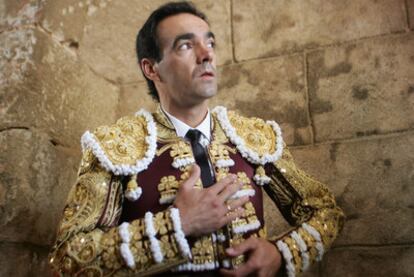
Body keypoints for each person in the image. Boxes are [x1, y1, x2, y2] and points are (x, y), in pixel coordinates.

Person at [49, 2, 344, 276]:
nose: (207, 54)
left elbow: (325, 211)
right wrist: (179, 224)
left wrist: (280, 253)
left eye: (210, 42)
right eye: (186, 45)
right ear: (152, 68)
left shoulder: (253, 137)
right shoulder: (115, 146)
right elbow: (68, 259)